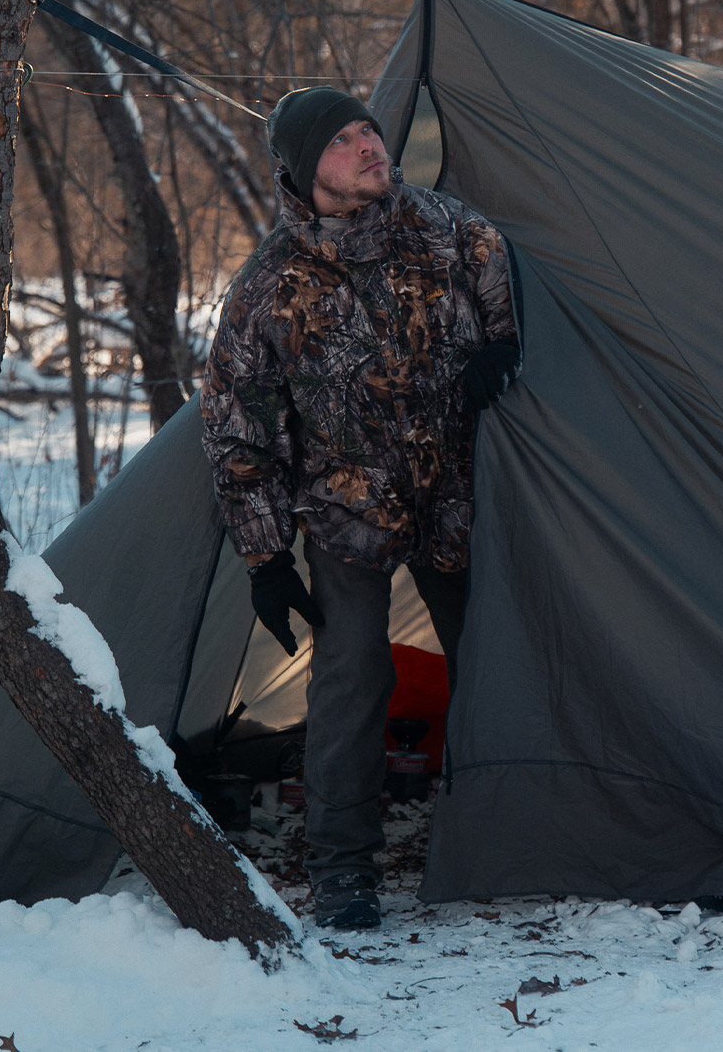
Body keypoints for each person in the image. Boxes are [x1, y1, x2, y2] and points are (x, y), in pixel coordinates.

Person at [200, 85, 519, 930]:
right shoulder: (270, 285)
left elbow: (510, 319)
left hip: (459, 497)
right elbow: (238, 432)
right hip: (349, 511)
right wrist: (267, 560)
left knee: (493, 661)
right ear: (304, 172)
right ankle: (342, 868)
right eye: (343, 140)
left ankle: (511, 836)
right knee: (350, 677)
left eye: (370, 129)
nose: (370, 145)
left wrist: (504, 347)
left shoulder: (455, 233)